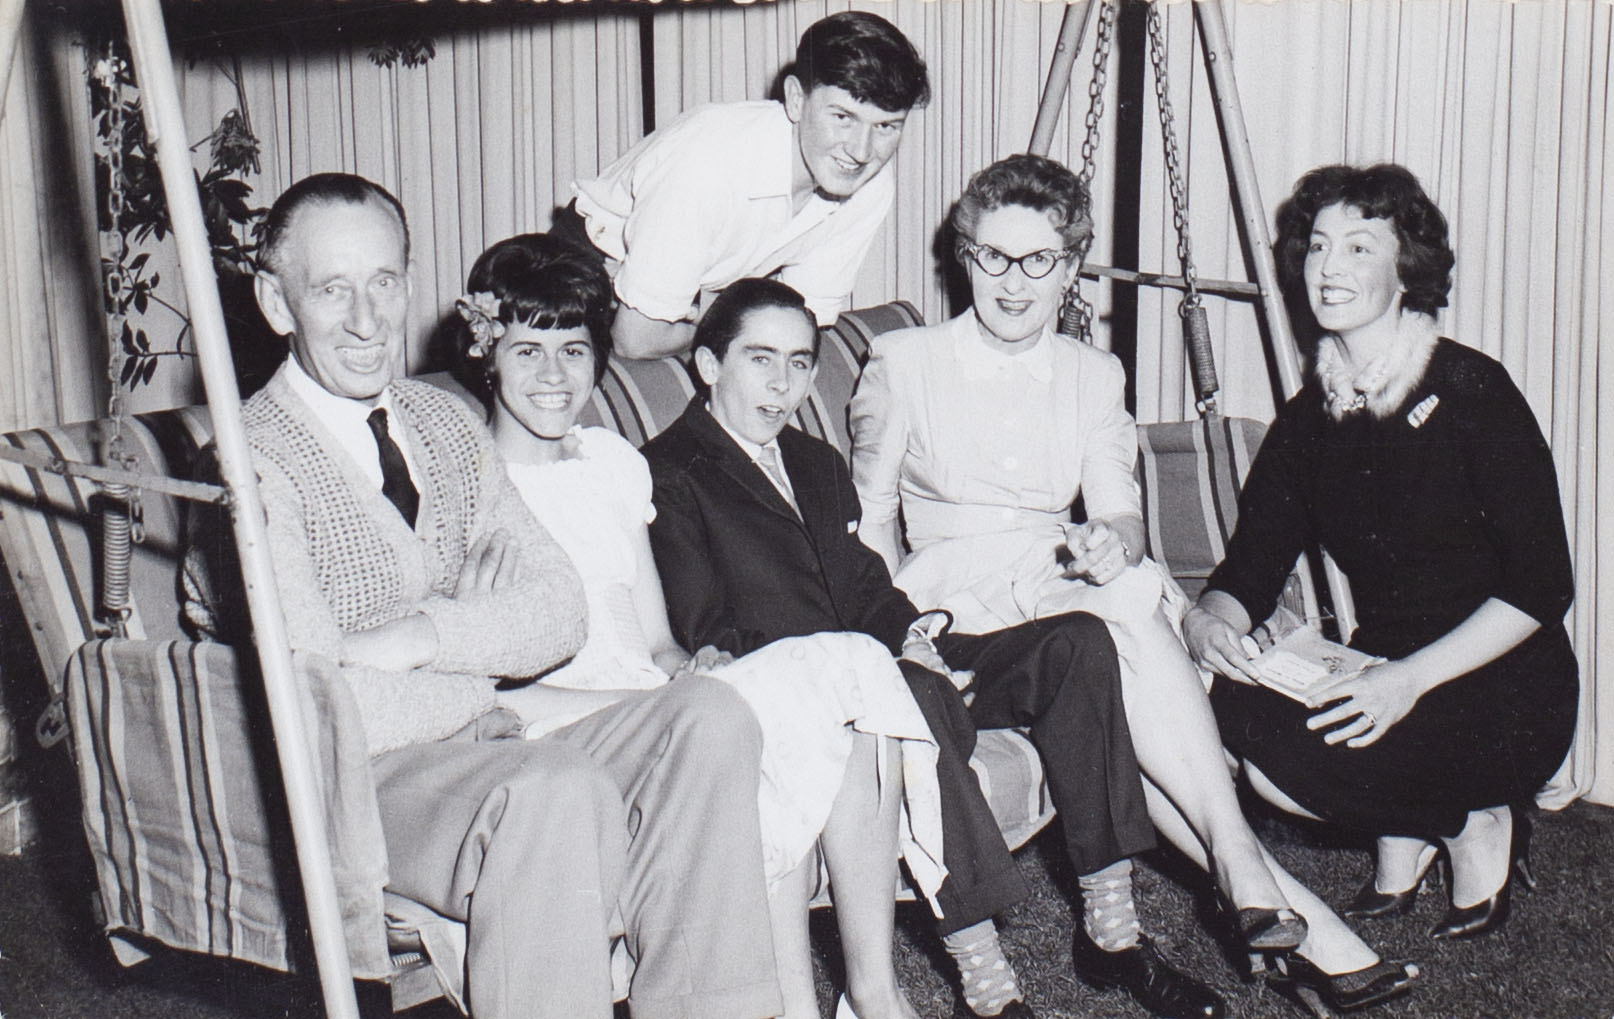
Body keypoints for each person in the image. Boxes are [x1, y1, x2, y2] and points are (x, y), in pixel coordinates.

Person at [185, 173, 784, 1019]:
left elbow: (560, 613)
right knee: (553, 788)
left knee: (710, 717)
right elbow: (323, 707)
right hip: (363, 787)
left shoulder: (446, 423)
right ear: (277, 305)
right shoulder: (250, 465)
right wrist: (484, 654)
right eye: (331, 289)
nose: (366, 320)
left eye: (385, 282)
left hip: (493, 742)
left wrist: (422, 634)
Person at [849, 153, 1418, 1014]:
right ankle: (1268, 890)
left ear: (1071, 265)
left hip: (1060, 580)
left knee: (1125, 604)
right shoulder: (903, 361)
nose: (1013, 281)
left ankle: (1249, 878)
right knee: (1127, 631)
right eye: (993, 256)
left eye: (1040, 259)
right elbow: (870, 520)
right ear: (965, 255)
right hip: (954, 598)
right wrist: (896, 633)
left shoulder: (1093, 372)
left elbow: (1118, 513)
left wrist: (1112, 545)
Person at [643, 278, 1227, 1019]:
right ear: (706, 364)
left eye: (798, 362)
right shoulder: (670, 471)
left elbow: (863, 582)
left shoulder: (814, 462)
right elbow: (707, 628)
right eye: (760, 360)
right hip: (811, 697)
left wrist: (913, 635)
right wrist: (876, 665)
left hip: (886, 660)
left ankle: (1112, 929)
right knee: (912, 699)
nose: (783, 384)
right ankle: (983, 975)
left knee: (1078, 641)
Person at [454, 232, 942, 1019]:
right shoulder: (466, 485)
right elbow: (484, 684)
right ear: (486, 353)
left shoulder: (612, 462)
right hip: (565, 732)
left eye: (574, 350)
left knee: (844, 702)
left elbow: (655, 641)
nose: (555, 377)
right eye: (528, 350)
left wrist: (695, 664)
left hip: (657, 702)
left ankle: (868, 993)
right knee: (804, 695)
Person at [1183, 164, 1579, 950]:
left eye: (1359, 249)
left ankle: (1476, 822)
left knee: (1304, 756)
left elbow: (1543, 584)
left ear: (1405, 272)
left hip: (1503, 679)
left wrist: (1405, 681)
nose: (1328, 269)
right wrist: (1208, 622)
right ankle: (1423, 819)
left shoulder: (1472, 387)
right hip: (1380, 666)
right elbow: (1250, 568)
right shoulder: (1311, 418)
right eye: (1318, 247)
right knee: (1246, 730)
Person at [566, 10, 928, 359]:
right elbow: (636, 339)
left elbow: (803, 321)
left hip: (705, 297)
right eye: (842, 117)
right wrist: (741, 322)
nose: (862, 151)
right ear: (797, 100)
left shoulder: (869, 182)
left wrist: (716, 312)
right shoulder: (708, 162)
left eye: (886, 126)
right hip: (586, 268)